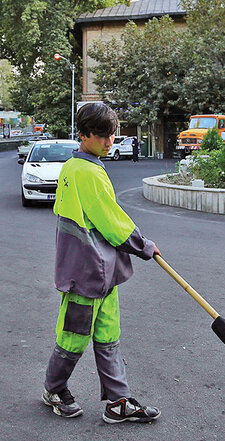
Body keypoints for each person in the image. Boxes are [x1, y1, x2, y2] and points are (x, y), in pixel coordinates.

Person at [42, 101, 161, 424]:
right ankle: (54, 389)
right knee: (74, 335)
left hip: (102, 271)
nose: (109, 142)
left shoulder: (77, 166)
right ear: (82, 135)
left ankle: (117, 401)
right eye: (102, 136)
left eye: (112, 135)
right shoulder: (86, 172)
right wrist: (144, 246)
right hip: (85, 271)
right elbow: (111, 221)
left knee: (109, 335)